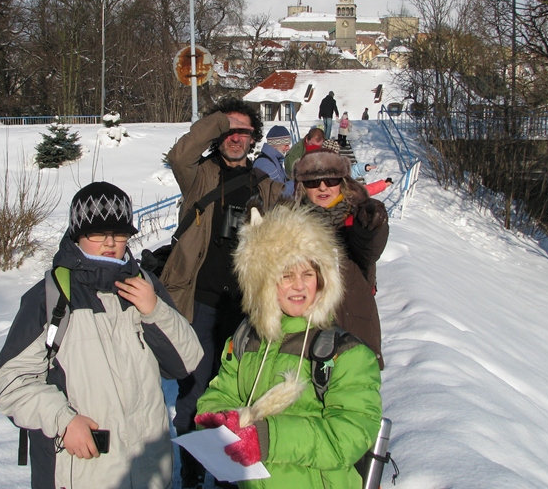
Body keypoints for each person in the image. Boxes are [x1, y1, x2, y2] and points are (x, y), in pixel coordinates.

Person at [0, 181, 204, 489]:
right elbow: (11, 383)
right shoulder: (50, 296)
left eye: (119, 233)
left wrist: (155, 310)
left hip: (148, 469)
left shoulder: (143, 287)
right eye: (97, 233)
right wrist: (63, 421)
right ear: (78, 234)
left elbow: (186, 363)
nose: (110, 242)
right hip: (82, 469)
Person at [195, 204, 382, 488]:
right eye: (286, 275)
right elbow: (219, 394)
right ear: (263, 282)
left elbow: (349, 436)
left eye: (308, 274)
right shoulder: (246, 340)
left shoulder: (346, 353)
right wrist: (219, 421)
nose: (299, 286)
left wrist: (268, 438)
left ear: (322, 280)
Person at [161, 97, 284, 488]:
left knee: (237, 390)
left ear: (253, 139)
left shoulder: (265, 186)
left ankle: (228, 472)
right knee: (195, 388)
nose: (235, 137)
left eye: (244, 132)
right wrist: (217, 120)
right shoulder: (198, 175)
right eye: (228, 130)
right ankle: (193, 471)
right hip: (200, 300)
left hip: (244, 306)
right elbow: (179, 153)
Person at [293, 149, 389, 368]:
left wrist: (372, 223)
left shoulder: (355, 218)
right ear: (301, 187)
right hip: (305, 333)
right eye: (313, 182)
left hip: (353, 324)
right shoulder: (290, 225)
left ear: (342, 181)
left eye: (331, 179)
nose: (323, 187)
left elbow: (369, 248)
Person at [252, 125, 294, 197]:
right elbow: (276, 193)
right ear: (275, 145)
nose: (288, 148)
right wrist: (296, 184)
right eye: (286, 145)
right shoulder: (265, 164)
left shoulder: (275, 160)